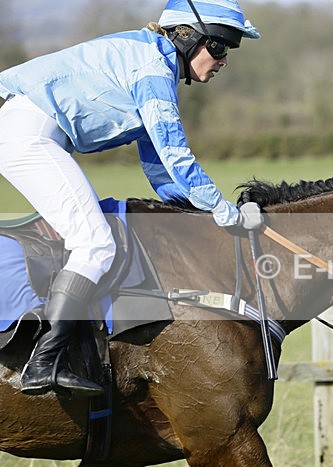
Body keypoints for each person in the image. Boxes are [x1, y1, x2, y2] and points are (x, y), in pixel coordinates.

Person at [0, 0, 261, 397]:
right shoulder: (151, 69)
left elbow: (158, 165)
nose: (223, 61)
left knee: (93, 240)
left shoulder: (151, 61)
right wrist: (225, 212)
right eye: (220, 48)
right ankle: (43, 362)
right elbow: (176, 154)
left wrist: (197, 215)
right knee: (95, 243)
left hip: (34, 134)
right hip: (29, 136)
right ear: (188, 38)